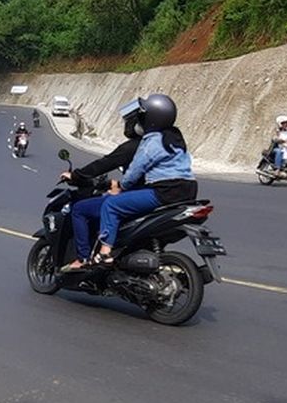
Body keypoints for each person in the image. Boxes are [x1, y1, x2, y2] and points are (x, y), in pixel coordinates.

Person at [91, 93, 195, 266]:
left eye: (142, 117)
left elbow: (135, 170)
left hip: (165, 191)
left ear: (151, 119)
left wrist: (122, 186)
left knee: (111, 205)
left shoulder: (152, 141)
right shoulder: (175, 137)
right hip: (189, 188)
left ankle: (105, 253)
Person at [59, 99, 146, 272]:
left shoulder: (132, 147)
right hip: (152, 194)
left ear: (137, 125)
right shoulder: (158, 146)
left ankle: (83, 258)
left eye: (129, 121)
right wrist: (114, 184)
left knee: (79, 209)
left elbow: (104, 164)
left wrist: (76, 175)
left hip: (138, 197)